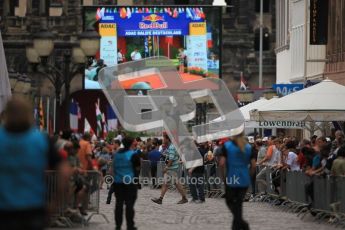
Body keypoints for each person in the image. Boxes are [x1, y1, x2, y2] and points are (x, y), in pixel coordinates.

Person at [0, 98, 61, 230]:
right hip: (33, 209)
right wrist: (55, 203)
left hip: (4, 210)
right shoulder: (41, 140)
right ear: (29, 115)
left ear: (6, 115)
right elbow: (65, 171)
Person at [219, 133, 256, 230]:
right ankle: (239, 224)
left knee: (229, 201)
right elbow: (253, 165)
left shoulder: (227, 146)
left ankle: (241, 224)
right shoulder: (248, 147)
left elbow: (222, 164)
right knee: (238, 203)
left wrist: (223, 178)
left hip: (232, 178)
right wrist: (249, 176)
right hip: (244, 178)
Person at [113, 137, 141, 230]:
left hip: (118, 182)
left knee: (119, 204)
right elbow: (137, 169)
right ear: (131, 144)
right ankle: (130, 226)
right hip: (129, 182)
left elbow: (113, 169)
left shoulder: (116, 155)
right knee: (129, 204)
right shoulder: (133, 155)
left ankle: (118, 226)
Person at [151, 133, 188, 205]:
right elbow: (172, 157)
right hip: (172, 168)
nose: (163, 139)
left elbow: (171, 159)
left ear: (167, 139)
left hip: (171, 168)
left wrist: (166, 167)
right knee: (169, 183)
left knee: (174, 183)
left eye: (164, 138)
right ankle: (161, 199)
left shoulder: (171, 147)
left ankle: (184, 198)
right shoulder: (171, 146)